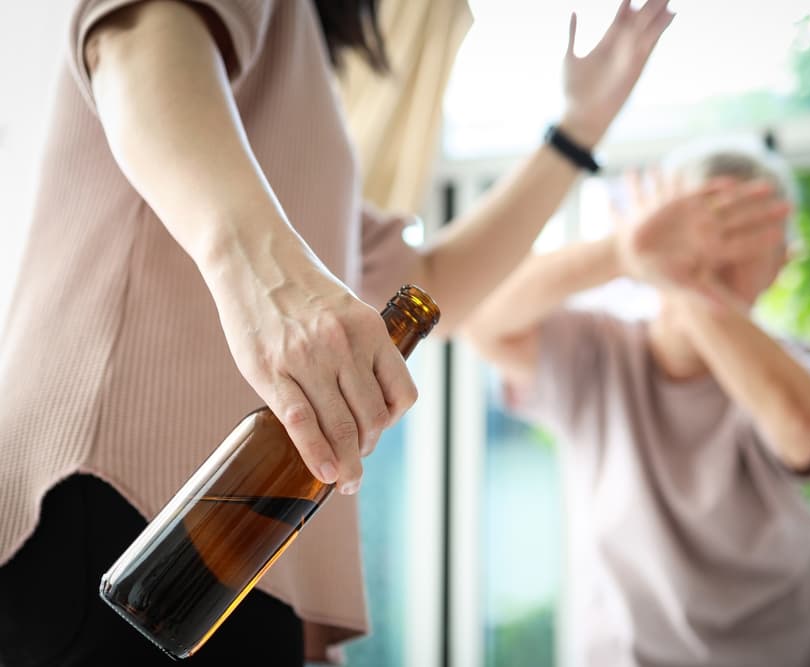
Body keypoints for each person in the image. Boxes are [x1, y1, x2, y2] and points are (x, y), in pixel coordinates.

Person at [0, 0, 676, 664]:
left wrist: (579, 127)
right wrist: (264, 276)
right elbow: (138, 41)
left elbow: (426, 281)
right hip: (118, 523)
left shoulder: (311, 102)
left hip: (239, 569)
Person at [463, 138, 810, 666]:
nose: (718, 251)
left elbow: (800, 428)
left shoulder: (794, 363)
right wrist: (622, 250)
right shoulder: (596, 351)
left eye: (740, 233)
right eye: (703, 226)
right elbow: (482, 321)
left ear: (781, 263)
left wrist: (686, 279)